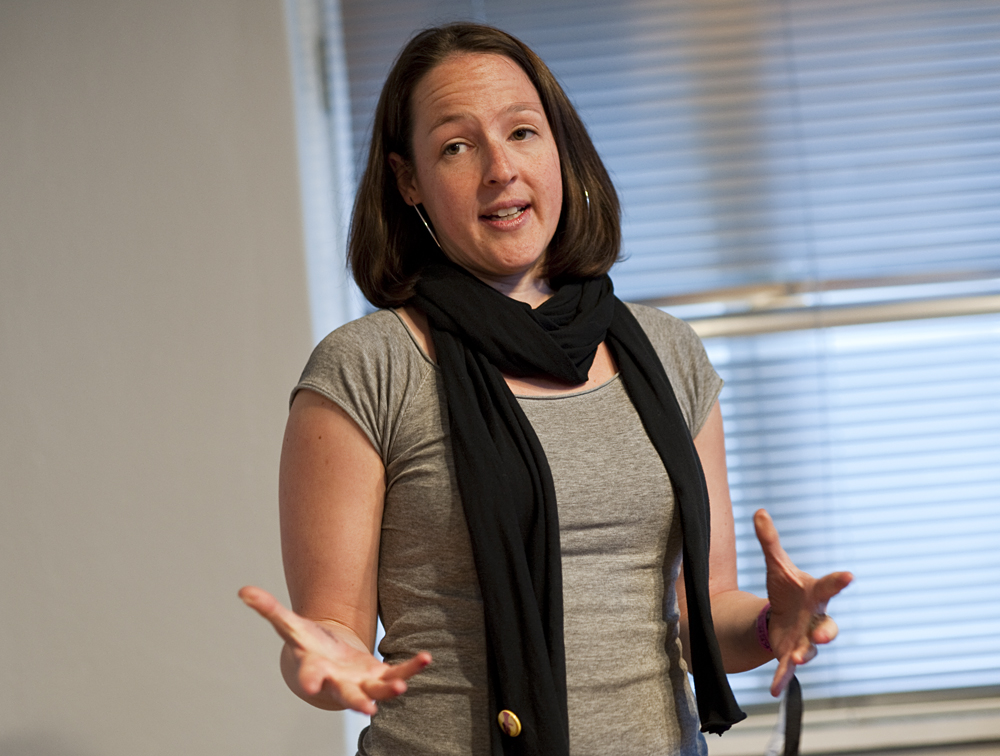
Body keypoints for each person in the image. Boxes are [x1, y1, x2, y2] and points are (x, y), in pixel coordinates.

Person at [240, 22, 853, 756]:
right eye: (457, 146)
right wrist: (321, 660)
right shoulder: (369, 368)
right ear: (409, 182)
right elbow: (330, 628)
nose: (500, 168)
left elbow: (701, 616)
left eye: (522, 133)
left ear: (558, 148)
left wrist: (768, 626)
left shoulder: (666, 353)